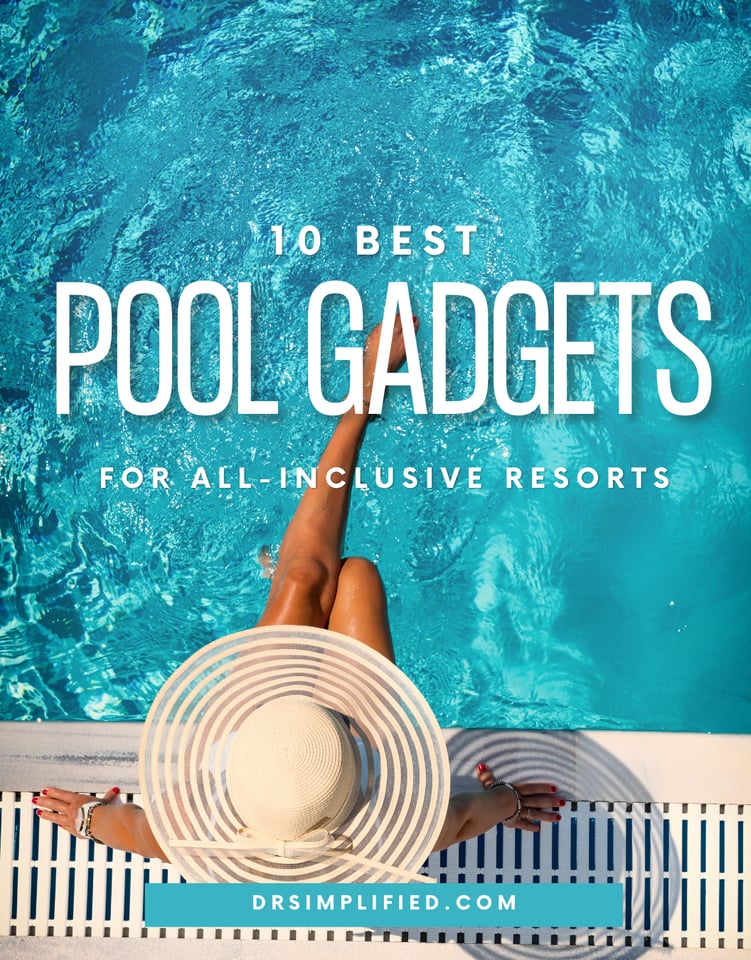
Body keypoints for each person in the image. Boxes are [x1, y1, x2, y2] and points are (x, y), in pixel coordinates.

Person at [33, 315, 564, 874]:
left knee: (301, 581)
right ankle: (362, 401)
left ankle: (351, 427)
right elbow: (462, 817)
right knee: (355, 575)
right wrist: (507, 800)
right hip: (347, 753)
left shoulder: (197, 833)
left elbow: (133, 827)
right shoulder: (391, 833)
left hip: (269, 743)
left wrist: (88, 817)